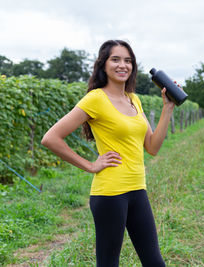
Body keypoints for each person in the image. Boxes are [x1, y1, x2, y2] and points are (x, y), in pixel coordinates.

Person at [41, 39, 176, 266]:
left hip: (137, 189)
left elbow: (152, 147)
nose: (122, 65)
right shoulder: (96, 99)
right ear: (103, 64)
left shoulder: (134, 100)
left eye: (127, 60)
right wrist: (90, 165)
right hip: (110, 193)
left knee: (154, 262)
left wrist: (167, 108)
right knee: (108, 263)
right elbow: (50, 138)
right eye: (115, 59)